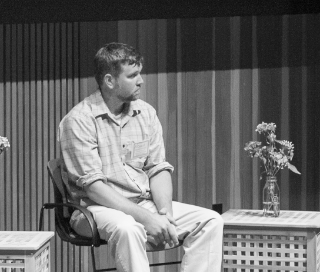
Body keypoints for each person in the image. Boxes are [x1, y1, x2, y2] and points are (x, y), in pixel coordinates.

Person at [56, 43, 223, 272]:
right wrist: (147, 219)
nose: (141, 80)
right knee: (128, 228)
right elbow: (94, 188)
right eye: (133, 75)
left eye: (139, 73)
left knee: (211, 221)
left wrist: (165, 215)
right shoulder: (79, 121)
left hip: (142, 204)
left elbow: (158, 168)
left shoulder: (146, 112)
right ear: (109, 81)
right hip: (93, 209)